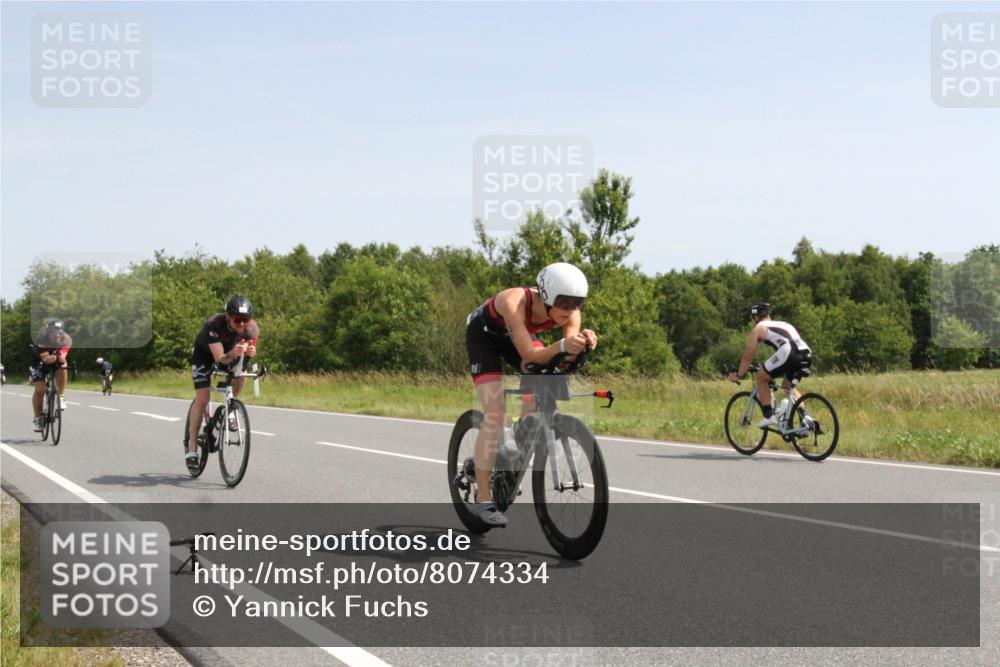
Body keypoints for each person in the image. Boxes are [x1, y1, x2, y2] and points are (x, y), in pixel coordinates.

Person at [465, 262, 598, 527]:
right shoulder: (514, 301)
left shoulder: (572, 314)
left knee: (542, 383)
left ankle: (515, 442)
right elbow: (528, 356)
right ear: (546, 295)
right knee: (496, 412)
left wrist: (582, 345)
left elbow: (561, 357)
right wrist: (562, 345)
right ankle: (483, 498)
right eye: (564, 302)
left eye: (577, 303)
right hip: (485, 336)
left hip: (519, 337)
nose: (570, 308)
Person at [185, 296, 259, 471]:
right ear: (228, 316)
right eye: (237, 320)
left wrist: (249, 352)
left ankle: (230, 408)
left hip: (229, 353)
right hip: (205, 355)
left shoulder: (252, 330)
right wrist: (234, 353)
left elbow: (240, 363)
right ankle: (192, 446)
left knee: (240, 375)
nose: (242, 324)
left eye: (245, 320)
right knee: (203, 399)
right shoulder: (214, 325)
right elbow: (220, 360)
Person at [727, 303, 812, 428]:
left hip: (789, 351)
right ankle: (806, 420)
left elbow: (747, 357)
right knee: (787, 386)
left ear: (756, 317)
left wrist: (739, 374)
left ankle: (769, 416)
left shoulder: (758, 329)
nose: (751, 321)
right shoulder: (784, 324)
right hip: (806, 352)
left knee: (761, 377)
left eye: (751, 318)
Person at [29, 319, 73, 431]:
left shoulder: (67, 339)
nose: (57, 333)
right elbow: (45, 357)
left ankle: (61, 396)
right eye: (54, 331)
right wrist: (48, 358)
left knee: (63, 365)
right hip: (39, 361)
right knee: (40, 390)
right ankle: (37, 419)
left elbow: (63, 356)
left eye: (60, 330)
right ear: (48, 331)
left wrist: (61, 357)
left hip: (55, 359)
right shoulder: (41, 339)